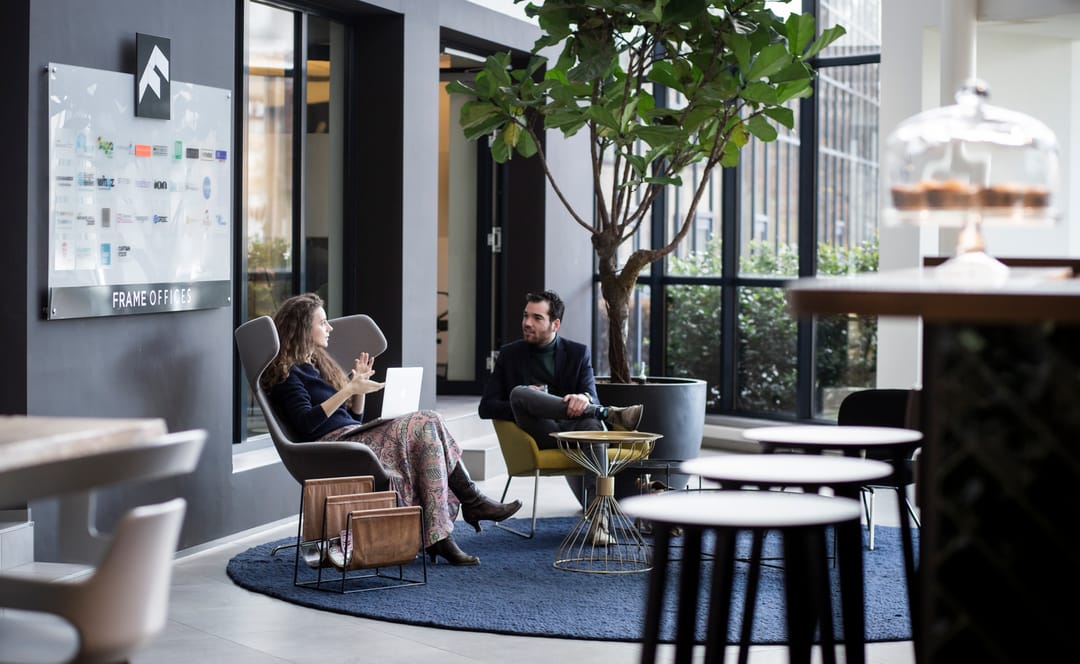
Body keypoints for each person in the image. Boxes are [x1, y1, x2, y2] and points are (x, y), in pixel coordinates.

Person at [263, 293, 521, 566]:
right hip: (332, 448)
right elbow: (306, 423)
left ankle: (443, 534)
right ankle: (468, 505)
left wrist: (358, 391)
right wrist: (347, 390)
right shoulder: (287, 373)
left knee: (428, 432)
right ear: (303, 328)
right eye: (322, 322)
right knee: (428, 420)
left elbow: (353, 419)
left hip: (351, 437)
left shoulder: (316, 365)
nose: (330, 328)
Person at [479, 290, 643, 485]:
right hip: (540, 432)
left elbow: (591, 394)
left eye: (537, 318)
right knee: (519, 393)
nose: (527, 323)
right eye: (525, 316)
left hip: (574, 430)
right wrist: (527, 404)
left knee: (592, 425)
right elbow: (486, 407)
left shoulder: (577, 353)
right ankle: (606, 413)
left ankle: (598, 503)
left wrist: (584, 398)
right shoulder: (509, 355)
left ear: (555, 324)